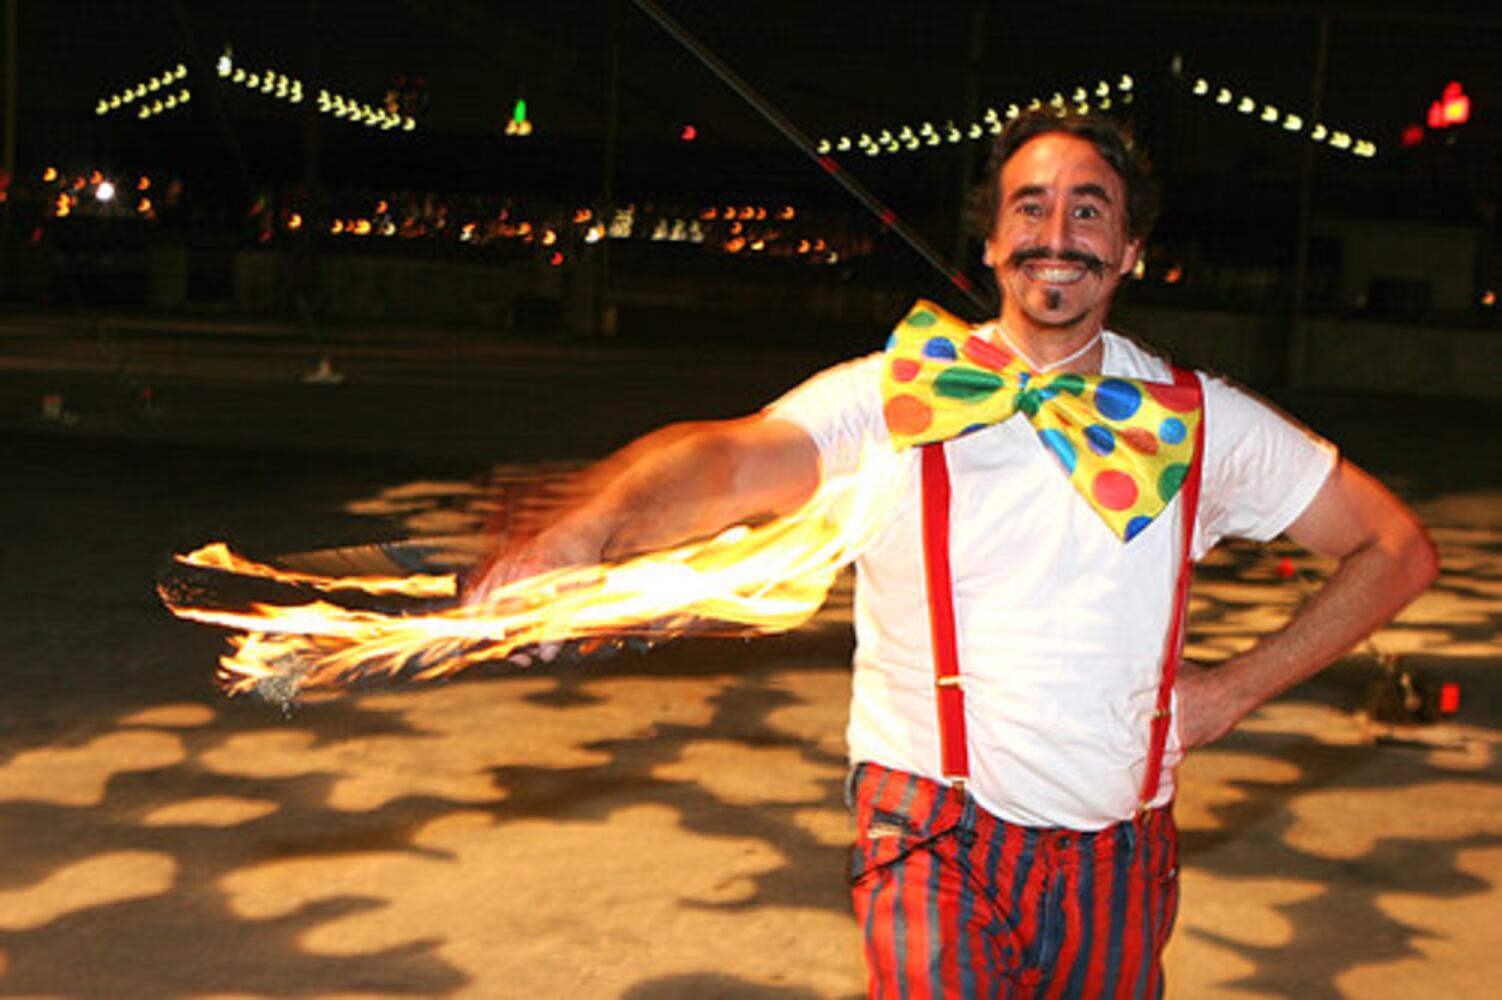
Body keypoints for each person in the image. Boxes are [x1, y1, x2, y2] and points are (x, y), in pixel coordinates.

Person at [469, 111, 1437, 998]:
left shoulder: (1195, 419)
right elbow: (726, 461)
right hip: (928, 827)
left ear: (1129, 249)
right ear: (990, 241)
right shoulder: (898, 394)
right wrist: (583, 531)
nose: (1055, 233)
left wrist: (1230, 691)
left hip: (1118, 853)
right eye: (1030, 206)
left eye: (1088, 209)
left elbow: (1393, 548)